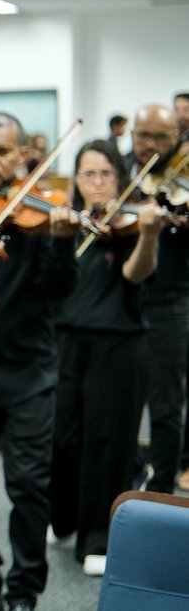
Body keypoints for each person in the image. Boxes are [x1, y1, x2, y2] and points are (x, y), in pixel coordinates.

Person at [0, 112, 82, 611]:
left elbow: (60, 291)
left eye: (3, 151)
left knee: (28, 487)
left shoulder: (39, 213)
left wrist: (59, 240)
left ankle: (23, 594)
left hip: (30, 369)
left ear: (23, 156)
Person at [50, 139, 164, 577]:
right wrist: (61, 240)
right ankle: (64, 517)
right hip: (68, 342)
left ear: (120, 178)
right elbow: (56, 286)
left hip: (119, 344)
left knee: (108, 441)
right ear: (75, 180)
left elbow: (136, 275)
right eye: (87, 174)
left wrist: (150, 233)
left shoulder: (131, 224)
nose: (96, 184)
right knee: (64, 437)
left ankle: (98, 536)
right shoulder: (68, 224)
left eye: (105, 174)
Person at [126, 104, 188, 495]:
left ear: (176, 138)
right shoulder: (118, 177)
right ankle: (125, 480)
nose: (151, 145)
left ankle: (162, 487)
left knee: (165, 401)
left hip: (172, 297)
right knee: (120, 400)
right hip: (122, 297)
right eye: (143, 135)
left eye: (161, 137)